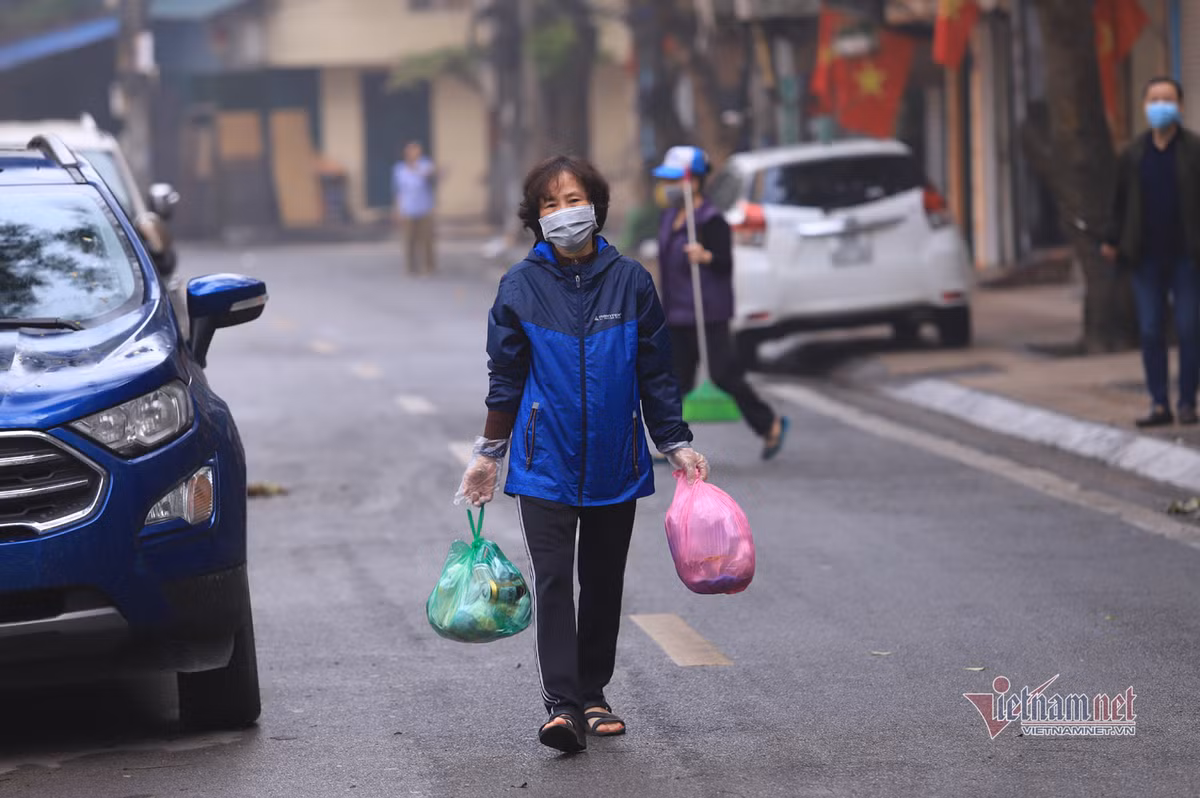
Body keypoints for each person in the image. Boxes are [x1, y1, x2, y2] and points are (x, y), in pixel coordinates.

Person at [455, 155, 709, 754]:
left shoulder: (631, 282)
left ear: (594, 206)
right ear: (535, 217)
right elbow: (507, 376)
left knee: (601, 582)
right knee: (552, 582)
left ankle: (594, 692)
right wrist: (489, 455)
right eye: (549, 203)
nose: (562, 212)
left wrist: (675, 440)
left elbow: (655, 370)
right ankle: (563, 706)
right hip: (545, 464)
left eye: (572, 199)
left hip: (616, 462)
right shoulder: (520, 286)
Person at [652, 146, 789, 458]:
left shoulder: (710, 220)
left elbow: (725, 262)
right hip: (676, 312)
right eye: (666, 180)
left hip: (707, 311)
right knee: (674, 380)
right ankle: (671, 441)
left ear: (695, 182)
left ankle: (769, 423)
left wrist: (706, 256)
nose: (668, 187)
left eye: (675, 180)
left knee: (723, 374)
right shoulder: (670, 217)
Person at [1103, 77, 1200, 428]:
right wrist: (1112, 240)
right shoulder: (1133, 154)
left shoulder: (1193, 150)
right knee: (1149, 329)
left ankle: (1187, 401)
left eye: (1168, 99)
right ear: (1145, 105)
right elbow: (1119, 202)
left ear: (1181, 106)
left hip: (1187, 258)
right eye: (1154, 99)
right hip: (1145, 258)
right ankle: (1159, 403)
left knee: (1189, 329)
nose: (1161, 105)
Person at [392, 141, 438, 275]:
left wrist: (419, 170)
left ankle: (429, 266)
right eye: (411, 152)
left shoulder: (425, 165)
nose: (413, 154)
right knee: (409, 240)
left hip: (424, 208)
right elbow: (398, 191)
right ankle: (411, 268)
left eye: (416, 151)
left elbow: (432, 178)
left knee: (427, 239)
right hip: (407, 209)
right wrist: (397, 210)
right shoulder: (399, 169)